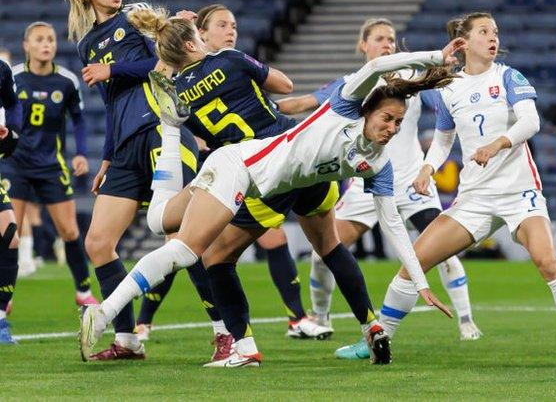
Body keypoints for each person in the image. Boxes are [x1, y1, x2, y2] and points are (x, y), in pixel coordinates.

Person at [80, 33, 463, 365]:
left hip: (263, 182)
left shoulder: (379, 165)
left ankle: (244, 348)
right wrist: (435, 58)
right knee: (187, 249)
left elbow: (394, 224)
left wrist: (420, 282)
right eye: (387, 119)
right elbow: (380, 65)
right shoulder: (344, 106)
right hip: (239, 165)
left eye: (398, 122)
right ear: (367, 110)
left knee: (163, 224)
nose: (392, 129)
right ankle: (106, 313)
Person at [334, 12, 556, 363]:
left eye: (495, 32)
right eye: (484, 31)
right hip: (474, 199)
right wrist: (428, 168)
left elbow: (531, 121)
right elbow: (444, 137)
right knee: (414, 262)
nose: (493, 38)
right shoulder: (451, 88)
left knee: (547, 260)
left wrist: (497, 145)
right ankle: (376, 339)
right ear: (464, 42)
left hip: (518, 194)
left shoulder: (509, 76)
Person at [135, 4, 330, 345]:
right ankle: (154, 322)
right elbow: (279, 90)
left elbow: (169, 94)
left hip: (238, 162)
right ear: (201, 36)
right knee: (183, 244)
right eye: (222, 25)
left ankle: (282, 321)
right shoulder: (229, 62)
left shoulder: (188, 80)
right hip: (227, 165)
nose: (231, 31)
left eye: (235, 25)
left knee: (202, 244)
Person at [277, 18, 481, 342]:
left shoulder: (410, 83)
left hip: (413, 181)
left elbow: (444, 110)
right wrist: (259, 109)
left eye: (391, 39)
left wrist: (430, 165)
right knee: (322, 253)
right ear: (363, 45)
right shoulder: (352, 84)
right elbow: (303, 104)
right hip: (365, 181)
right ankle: (320, 317)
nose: (388, 43)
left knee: (442, 250)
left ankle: (467, 322)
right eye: (380, 38)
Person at [64, 0, 221, 361]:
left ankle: (226, 332)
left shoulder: (134, 18)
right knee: (98, 243)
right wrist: (105, 159)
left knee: (183, 238)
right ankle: (128, 340)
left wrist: (111, 67)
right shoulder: (86, 45)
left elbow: (162, 63)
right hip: (125, 146)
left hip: (161, 130)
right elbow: (113, 103)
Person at [0, 22, 95, 306]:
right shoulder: (13, 76)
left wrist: (79, 153)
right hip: (15, 163)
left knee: (70, 231)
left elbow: (78, 119)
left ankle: (83, 291)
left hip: (51, 165)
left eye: (51, 39)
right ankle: (5, 301)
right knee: (8, 234)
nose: (47, 44)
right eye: (40, 39)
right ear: (26, 45)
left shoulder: (66, 81)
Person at [0, 54, 23, 344]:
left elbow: (12, 102)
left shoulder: (2, 69)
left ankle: (1, 319)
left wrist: (12, 133)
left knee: (9, 234)